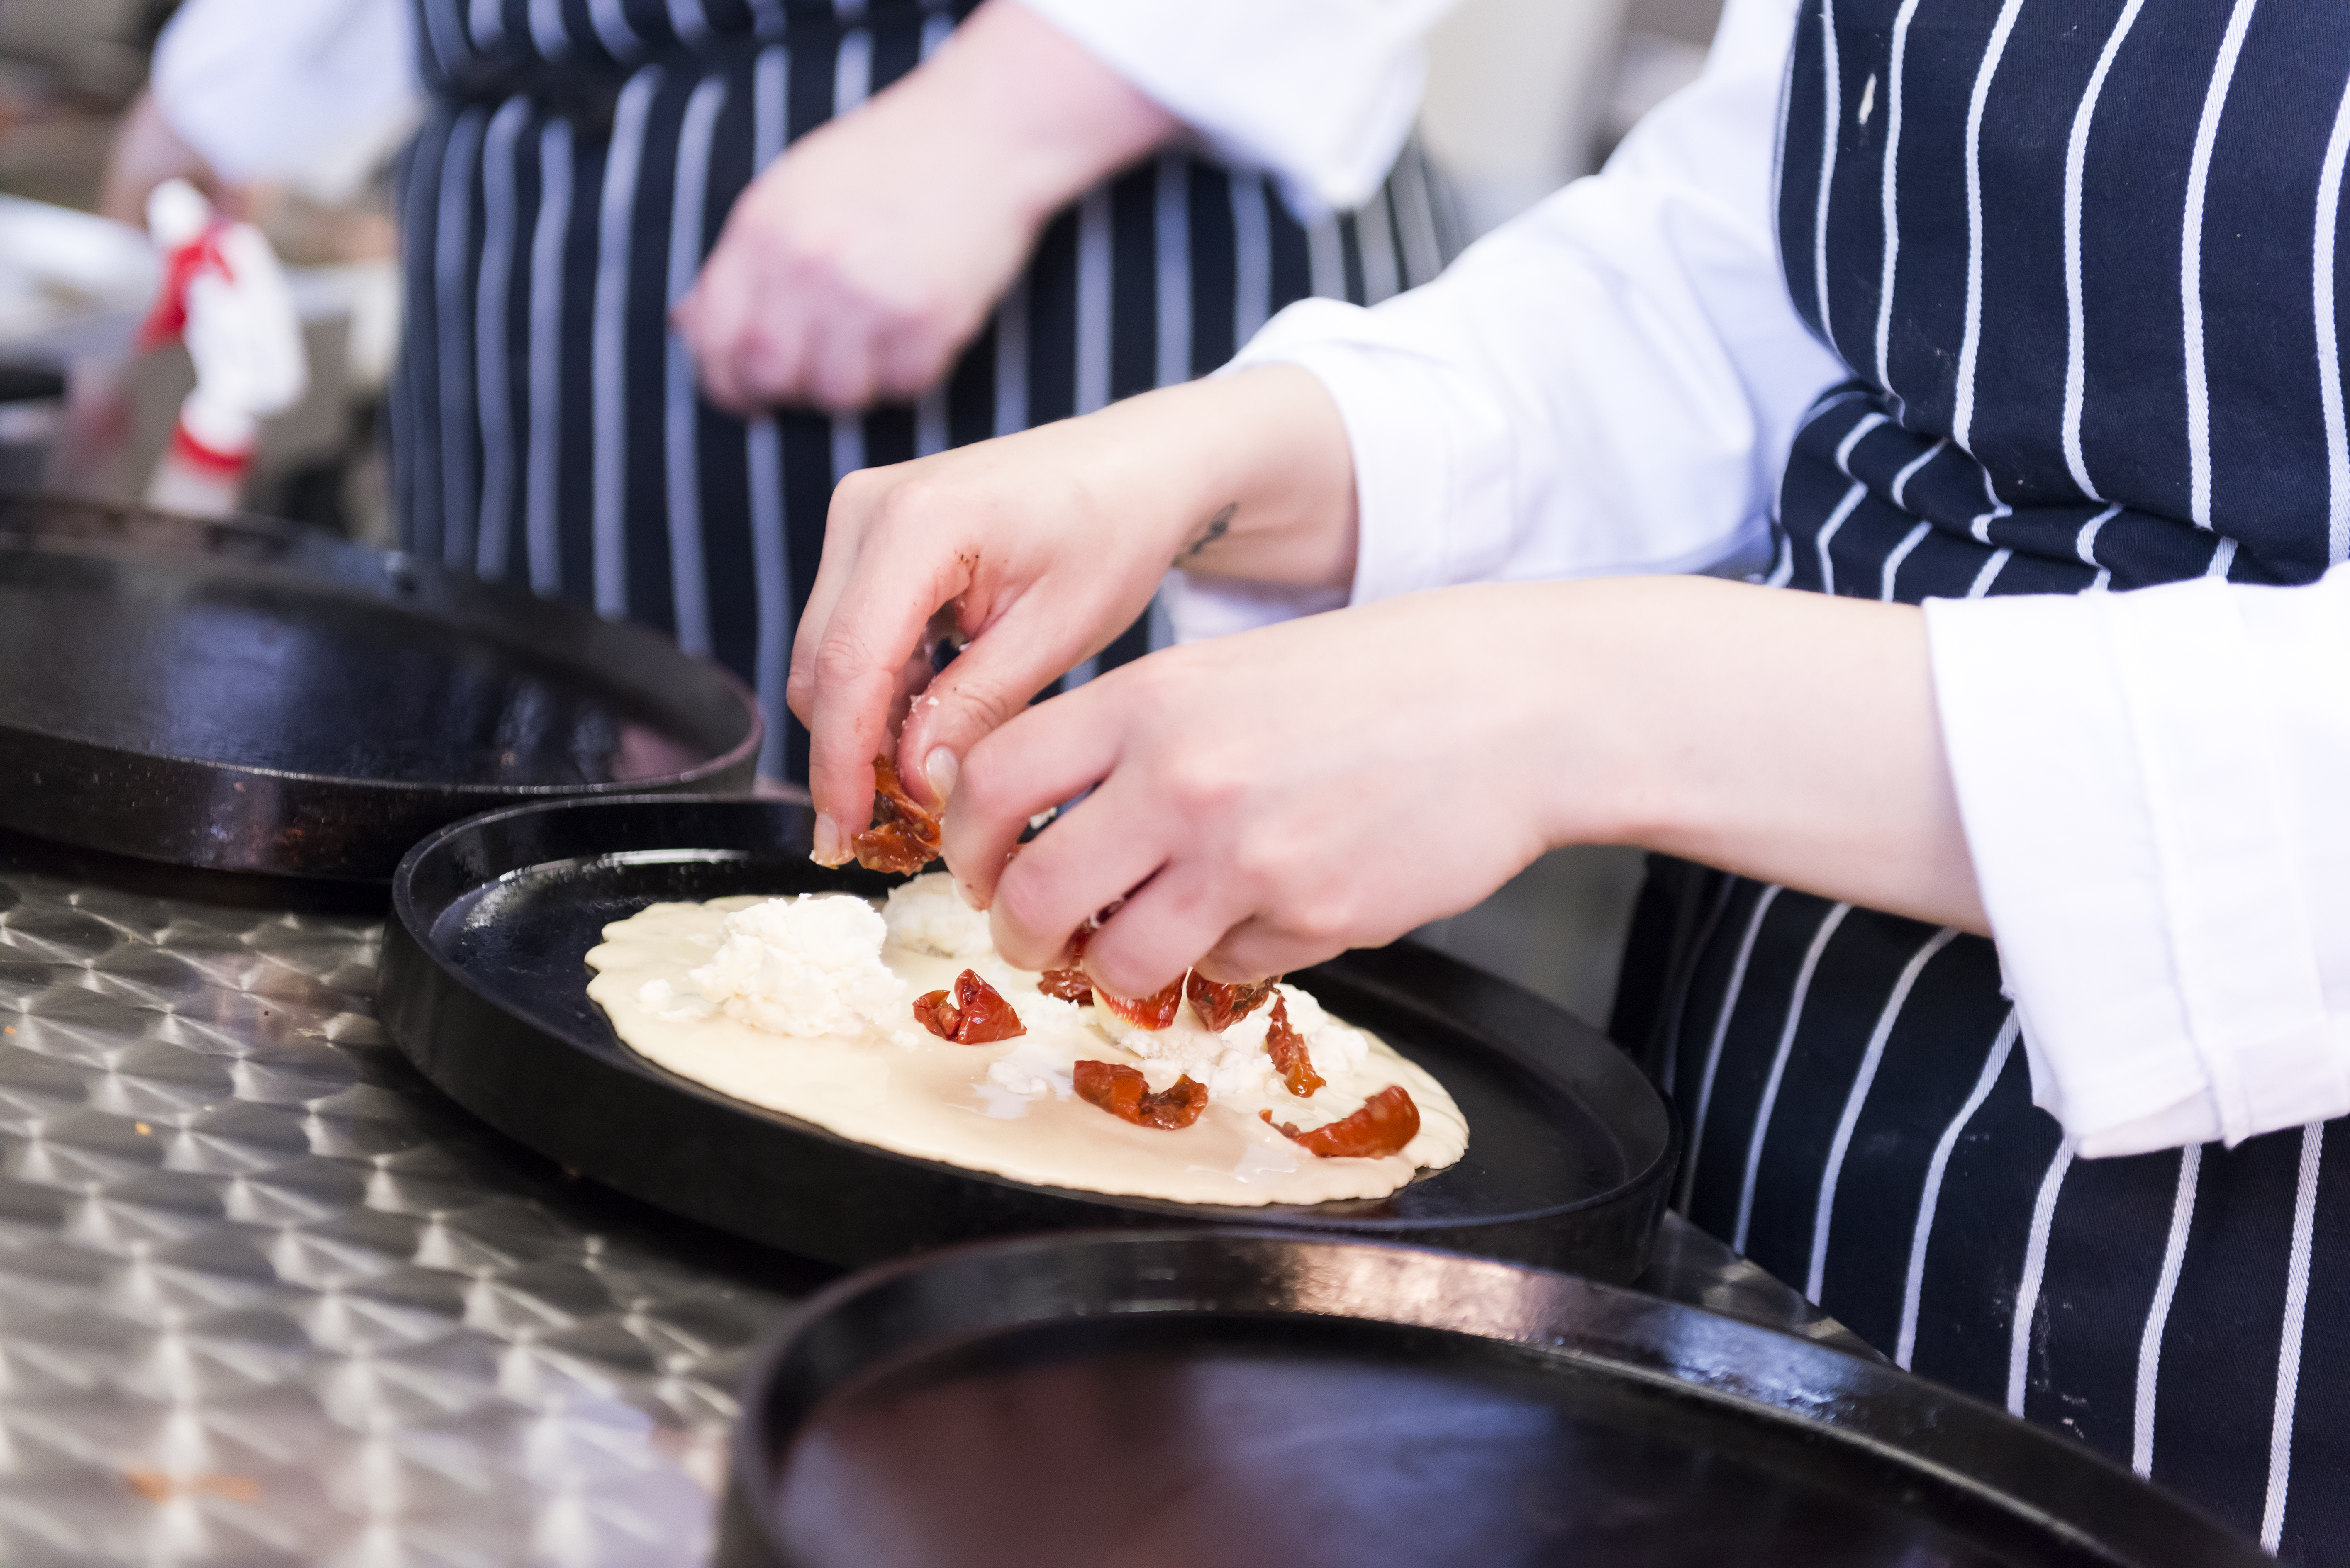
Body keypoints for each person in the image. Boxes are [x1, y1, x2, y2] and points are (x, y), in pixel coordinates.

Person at [785, 0, 2350, 1556]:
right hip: (1769, 1096)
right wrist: (1238, 455)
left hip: (2242, 1347)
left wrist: (1573, 705)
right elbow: (1768, 263)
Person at [117, 0, 1462, 782]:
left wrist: (1013, 115)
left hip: (1069, 218)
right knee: (539, 964)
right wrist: (228, 92)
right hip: (526, 288)